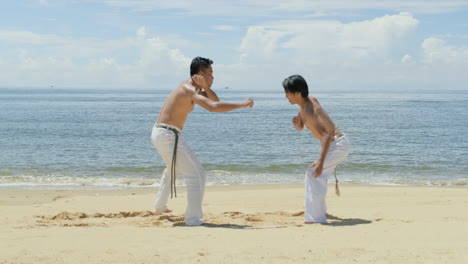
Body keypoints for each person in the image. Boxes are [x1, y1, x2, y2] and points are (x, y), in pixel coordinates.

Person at [151, 57, 254, 226]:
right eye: (210, 74)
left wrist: (206, 86)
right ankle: (193, 219)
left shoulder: (197, 88)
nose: (213, 77)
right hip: (167, 135)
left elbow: (215, 100)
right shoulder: (189, 89)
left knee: (173, 170)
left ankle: (159, 207)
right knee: (196, 174)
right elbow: (213, 107)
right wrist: (242, 105)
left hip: (167, 134)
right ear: (200, 74)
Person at [282, 75, 351, 224]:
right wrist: (298, 125)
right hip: (338, 143)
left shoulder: (308, 110)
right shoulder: (309, 102)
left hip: (337, 144)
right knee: (316, 175)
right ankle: (318, 212)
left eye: (287, 92)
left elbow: (327, 134)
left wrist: (320, 161)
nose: (285, 96)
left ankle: (316, 217)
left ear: (297, 93)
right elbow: (307, 125)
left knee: (314, 174)